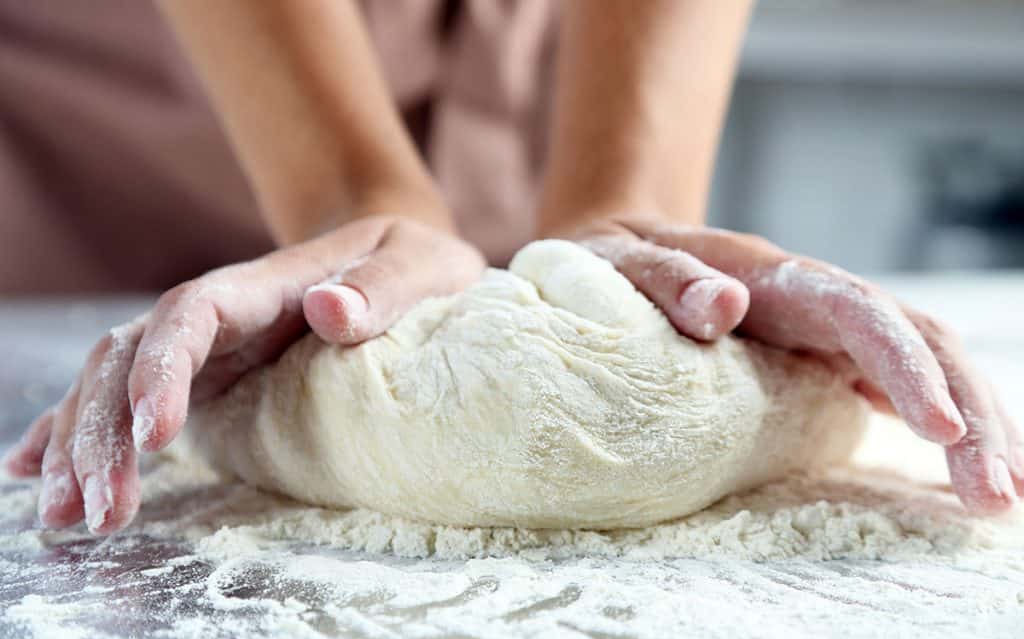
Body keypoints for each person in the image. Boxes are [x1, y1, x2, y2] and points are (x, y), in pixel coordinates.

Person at [3, 1, 1020, 536]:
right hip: (151, 108)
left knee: (574, 315)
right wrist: (344, 193)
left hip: (550, 54)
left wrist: (627, 194)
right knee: (218, 360)